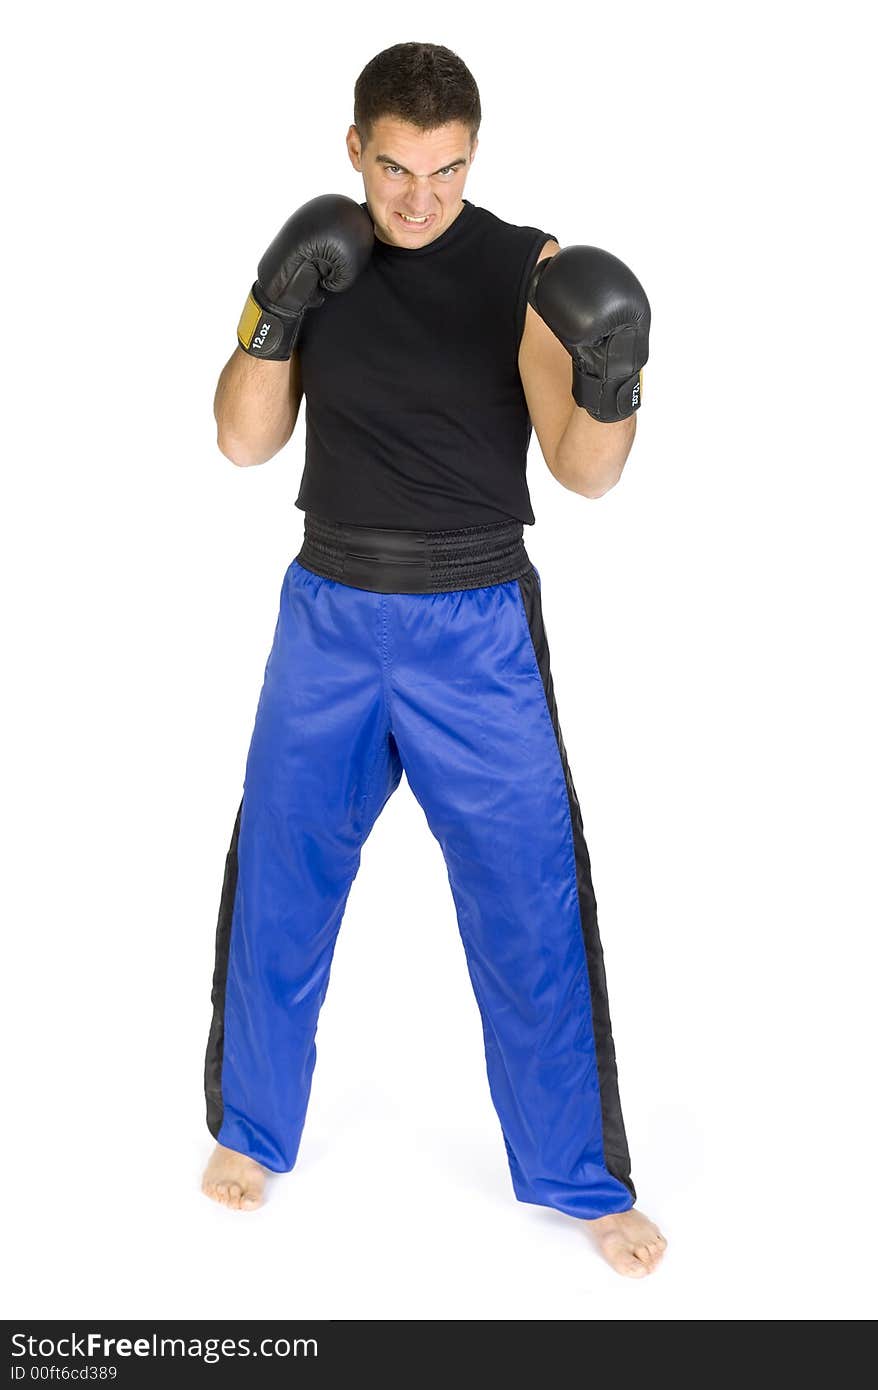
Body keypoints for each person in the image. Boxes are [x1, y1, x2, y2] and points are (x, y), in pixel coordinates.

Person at [201, 41, 667, 1280]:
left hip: (475, 628)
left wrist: (614, 382)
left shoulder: (527, 270)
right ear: (355, 149)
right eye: (398, 169)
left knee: (530, 903)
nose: (419, 199)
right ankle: (251, 1130)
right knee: (283, 879)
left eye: (448, 172)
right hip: (331, 608)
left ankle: (578, 1175)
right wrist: (273, 305)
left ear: (474, 155)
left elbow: (583, 472)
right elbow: (244, 443)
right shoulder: (322, 256)